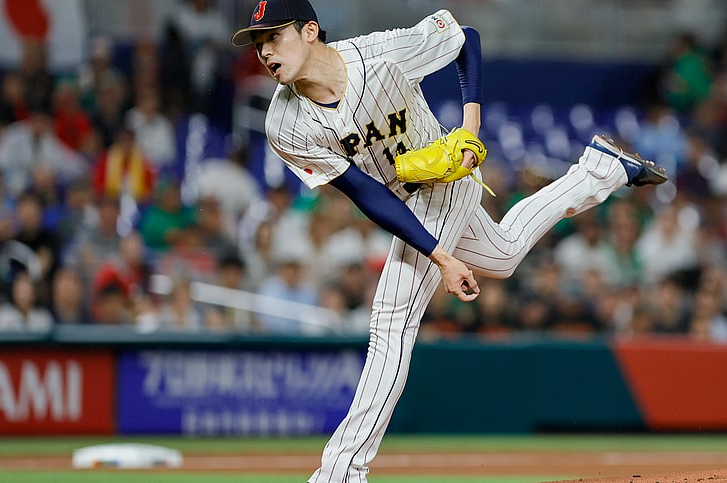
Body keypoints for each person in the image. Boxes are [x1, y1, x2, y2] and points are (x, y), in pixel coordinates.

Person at [230, 2, 666, 481]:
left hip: (445, 180)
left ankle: (341, 471)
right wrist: (440, 256)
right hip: (401, 198)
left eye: (274, 36)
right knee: (501, 255)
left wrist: (469, 127)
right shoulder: (285, 124)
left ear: (309, 30)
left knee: (391, 320)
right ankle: (599, 171)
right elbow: (366, 194)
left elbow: (467, 38)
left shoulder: (380, 55)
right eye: (257, 43)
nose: (265, 51)